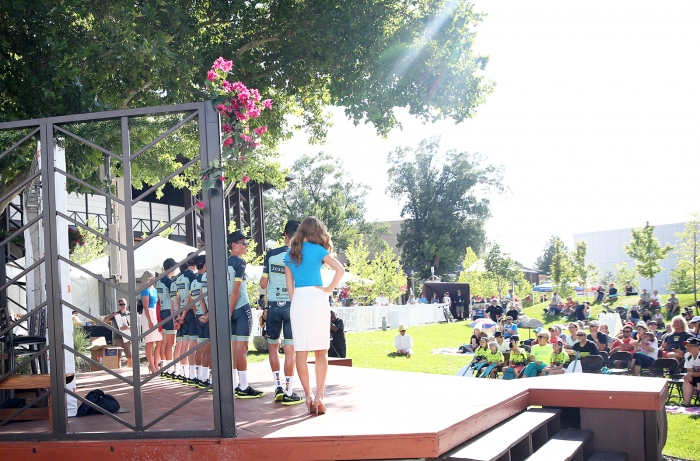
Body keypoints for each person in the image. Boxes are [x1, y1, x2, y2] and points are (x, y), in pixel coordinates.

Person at [284, 216, 345, 415]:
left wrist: (296, 301)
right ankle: (320, 396)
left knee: (301, 351)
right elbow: (340, 269)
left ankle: (308, 396)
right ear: (316, 231)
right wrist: (328, 289)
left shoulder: (291, 253)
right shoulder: (319, 250)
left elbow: (289, 286)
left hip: (299, 299)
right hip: (317, 298)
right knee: (321, 351)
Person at [259, 220, 304, 405]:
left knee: (273, 347)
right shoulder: (299, 255)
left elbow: (263, 284)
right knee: (290, 350)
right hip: (292, 305)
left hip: (273, 307)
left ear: (285, 235)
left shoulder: (271, 254)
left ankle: (277, 386)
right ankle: (288, 390)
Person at [227, 230, 265, 399]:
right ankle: (243, 387)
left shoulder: (223, 263)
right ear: (233, 245)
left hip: (231, 307)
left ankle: (236, 384)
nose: (247, 245)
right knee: (241, 350)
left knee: (235, 349)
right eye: (243, 242)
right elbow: (235, 291)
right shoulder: (240, 263)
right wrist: (229, 312)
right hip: (240, 308)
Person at [174, 255, 198, 383]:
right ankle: (193, 375)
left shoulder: (179, 277)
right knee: (192, 345)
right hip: (189, 313)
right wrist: (183, 316)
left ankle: (184, 373)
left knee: (184, 344)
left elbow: (177, 299)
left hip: (182, 313)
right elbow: (190, 298)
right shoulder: (192, 277)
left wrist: (178, 315)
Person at [156, 258, 177, 378]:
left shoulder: (159, 280)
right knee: (170, 342)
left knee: (165, 342)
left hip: (163, 310)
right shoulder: (168, 281)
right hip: (169, 311)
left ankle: (164, 366)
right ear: (171, 267)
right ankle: (169, 369)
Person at [140, 270, 162, 373]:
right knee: (149, 341)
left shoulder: (154, 289)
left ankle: (156, 364)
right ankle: (152, 365)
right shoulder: (145, 290)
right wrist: (149, 320)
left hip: (155, 314)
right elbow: (145, 306)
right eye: (153, 277)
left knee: (159, 340)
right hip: (148, 314)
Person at [104, 298, 132, 368]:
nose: (122, 305)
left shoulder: (129, 314)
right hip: (117, 337)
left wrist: (127, 327)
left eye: (124, 304)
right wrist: (112, 315)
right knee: (118, 357)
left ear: (126, 304)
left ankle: (130, 371)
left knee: (129, 356)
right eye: (121, 304)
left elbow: (134, 325)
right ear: (119, 305)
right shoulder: (115, 314)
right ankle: (119, 372)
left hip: (127, 337)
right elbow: (104, 320)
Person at [682, 337, 700, 407]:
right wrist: (689, 375)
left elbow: (692, 373)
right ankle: (687, 404)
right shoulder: (687, 355)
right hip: (696, 376)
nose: (688, 347)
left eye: (691, 345)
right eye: (687, 345)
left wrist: (691, 374)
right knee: (687, 380)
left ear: (698, 347)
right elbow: (689, 370)